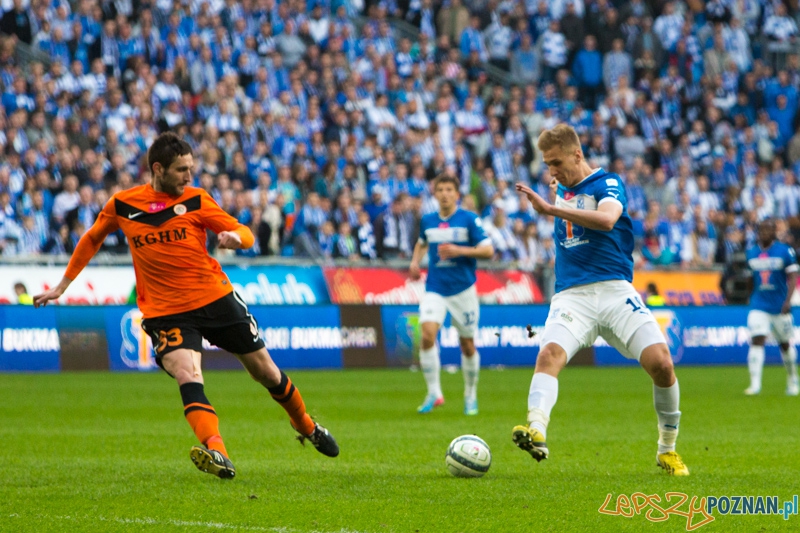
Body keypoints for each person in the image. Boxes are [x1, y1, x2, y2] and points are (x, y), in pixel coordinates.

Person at [34, 132, 338, 479]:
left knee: (266, 372)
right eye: (181, 170)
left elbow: (244, 232)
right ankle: (218, 452)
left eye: (191, 169)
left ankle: (307, 426)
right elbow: (92, 238)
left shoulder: (196, 200)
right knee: (187, 374)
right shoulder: (123, 204)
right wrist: (63, 284)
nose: (189, 177)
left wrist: (235, 238)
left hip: (215, 298)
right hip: (166, 311)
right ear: (158, 169)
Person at [513, 124, 688, 476]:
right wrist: (555, 197)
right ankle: (537, 430)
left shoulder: (607, 184)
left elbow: (608, 219)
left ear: (577, 154)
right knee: (548, 355)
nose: (552, 171)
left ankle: (667, 450)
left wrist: (553, 209)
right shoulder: (559, 187)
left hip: (614, 290)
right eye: (547, 164)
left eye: (556, 162)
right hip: (571, 295)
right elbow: (562, 194)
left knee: (662, 365)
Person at [409, 175, 494, 415]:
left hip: (463, 290)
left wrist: (459, 250)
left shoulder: (469, 219)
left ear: (457, 194)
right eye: (441, 190)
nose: (445, 193)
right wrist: (415, 262)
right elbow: (422, 242)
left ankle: (470, 394)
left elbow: (488, 250)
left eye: (449, 189)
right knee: (426, 335)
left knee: (466, 344)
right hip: (435, 287)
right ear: (435, 194)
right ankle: (434, 393)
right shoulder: (427, 220)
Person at [744, 219, 799, 396]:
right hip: (759, 304)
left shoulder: (785, 251)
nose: (764, 233)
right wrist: (750, 297)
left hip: (780, 306)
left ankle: (792, 378)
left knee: (784, 344)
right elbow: (750, 278)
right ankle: (755, 384)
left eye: (769, 230)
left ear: (775, 232)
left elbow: (792, 277)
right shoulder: (751, 252)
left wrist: (788, 301)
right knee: (757, 340)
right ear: (758, 232)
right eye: (762, 230)